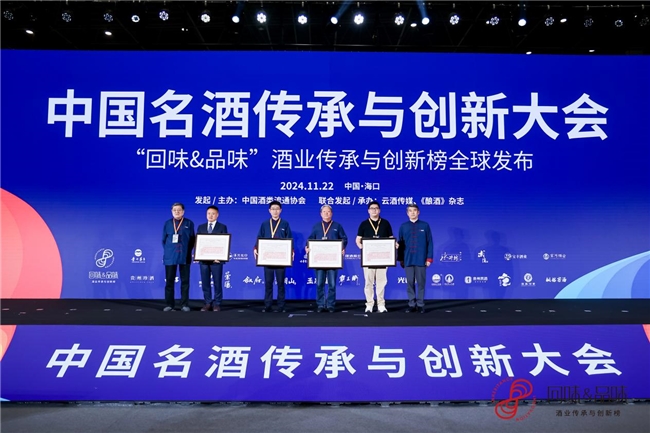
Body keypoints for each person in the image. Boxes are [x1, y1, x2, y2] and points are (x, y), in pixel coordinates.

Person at [356, 201, 397, 314]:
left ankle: (381, 304)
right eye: (372, 208)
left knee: (381, 282)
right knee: (368, 282)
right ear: (368, 211)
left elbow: (390, 238)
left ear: (379, 210)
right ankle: (369, 304)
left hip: (382, 258)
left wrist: (394, 244)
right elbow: (358, 239)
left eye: (376, 208)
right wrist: (362, 247)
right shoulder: (364, 224)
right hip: (368, 258)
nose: (374, 210)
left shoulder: (385, 223)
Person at [306, 205, 348, 313]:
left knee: (332, 284)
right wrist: (307, 247)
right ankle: (320, 304)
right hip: (319, 260)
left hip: (333, 260)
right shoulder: (316, 226)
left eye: (328, 211)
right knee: (319, 283)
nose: (326, 213)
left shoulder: (337, 226)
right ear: (321, 214)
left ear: (331, 213)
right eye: (324, 211)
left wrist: (342, 247)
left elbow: (344, 239)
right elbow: (310, 239)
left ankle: (330, 305)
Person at [254, 200, 292, 313]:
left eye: (277, 209)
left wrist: (291, 251)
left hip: (281, 258)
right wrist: (256, 248)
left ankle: (281, 306)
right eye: (273, 209)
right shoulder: (265, 224)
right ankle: (268, 305)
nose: (275, 211)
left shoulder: (285, 224)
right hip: (268, 258)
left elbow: (289, 239)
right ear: (269, 211)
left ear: (281, 210)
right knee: (268, 283)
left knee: (281, 284)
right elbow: (259, 238)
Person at [397, 203, 433, 314]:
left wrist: (429, 258)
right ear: (407, 213)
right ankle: (412, 304)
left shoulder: (425, 225)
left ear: (418, 212)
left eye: (414, 210)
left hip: (421, 259)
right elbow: (400, 244)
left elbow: (429, 242)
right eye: (410, 211)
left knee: (421, 283)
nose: (412, 213)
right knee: (409, 283)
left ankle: (420, 304)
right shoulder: (403, 226)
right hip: (408, 259)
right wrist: (401, 259)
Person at [162, 202, 195, 312]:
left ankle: (184, 305)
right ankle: (169, 305)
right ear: (171, 211)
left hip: (184, 256)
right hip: (170, 256)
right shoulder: (167, 223)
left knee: (185, 282)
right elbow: (163, 240)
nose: (177, 212)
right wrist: (169, 250)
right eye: (174, 210)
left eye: (179, 210)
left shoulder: (189, 223)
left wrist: (187, 251)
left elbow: (192, 240)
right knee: (169, 282)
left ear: (183, 211)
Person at [196, 206, 228, 312]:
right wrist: (197, 255)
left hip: (216, 260)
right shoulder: (201, 227)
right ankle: (207, 303)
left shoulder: (222, 227)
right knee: (205, 283)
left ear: (217, 215)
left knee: (217, 282)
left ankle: (217, 303)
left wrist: (221, 258)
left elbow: (224, 243)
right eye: (208, 213)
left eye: (213, 213)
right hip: (203, 260)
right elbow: (198, 242)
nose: (210, 216)